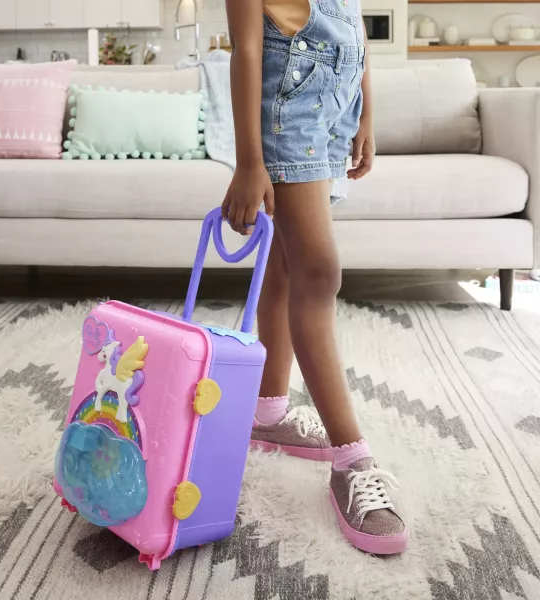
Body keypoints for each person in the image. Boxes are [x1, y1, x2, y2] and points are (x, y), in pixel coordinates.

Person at [222, 0, 408, 554]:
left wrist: (366, 113)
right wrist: (249, 163)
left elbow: (356, 28)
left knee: (286, 264)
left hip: (334, 115)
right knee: (319, 271)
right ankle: (352, 460)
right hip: (289, 119)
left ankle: (267, 412)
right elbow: (247, 50)